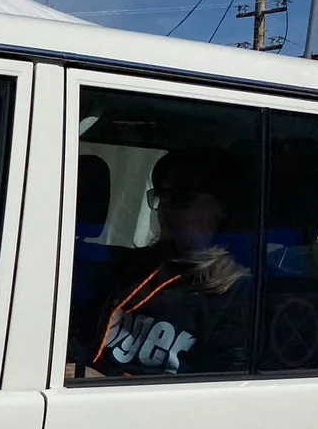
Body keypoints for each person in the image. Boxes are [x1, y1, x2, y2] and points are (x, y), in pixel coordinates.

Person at [69, 148, 253, 378]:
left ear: (221, 208)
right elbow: (81, 339)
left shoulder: (240, 294)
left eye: (181, 199)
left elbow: (217, 392)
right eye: (161, 197)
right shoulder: (131, 268)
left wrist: (103, 382)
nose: (165, 209)